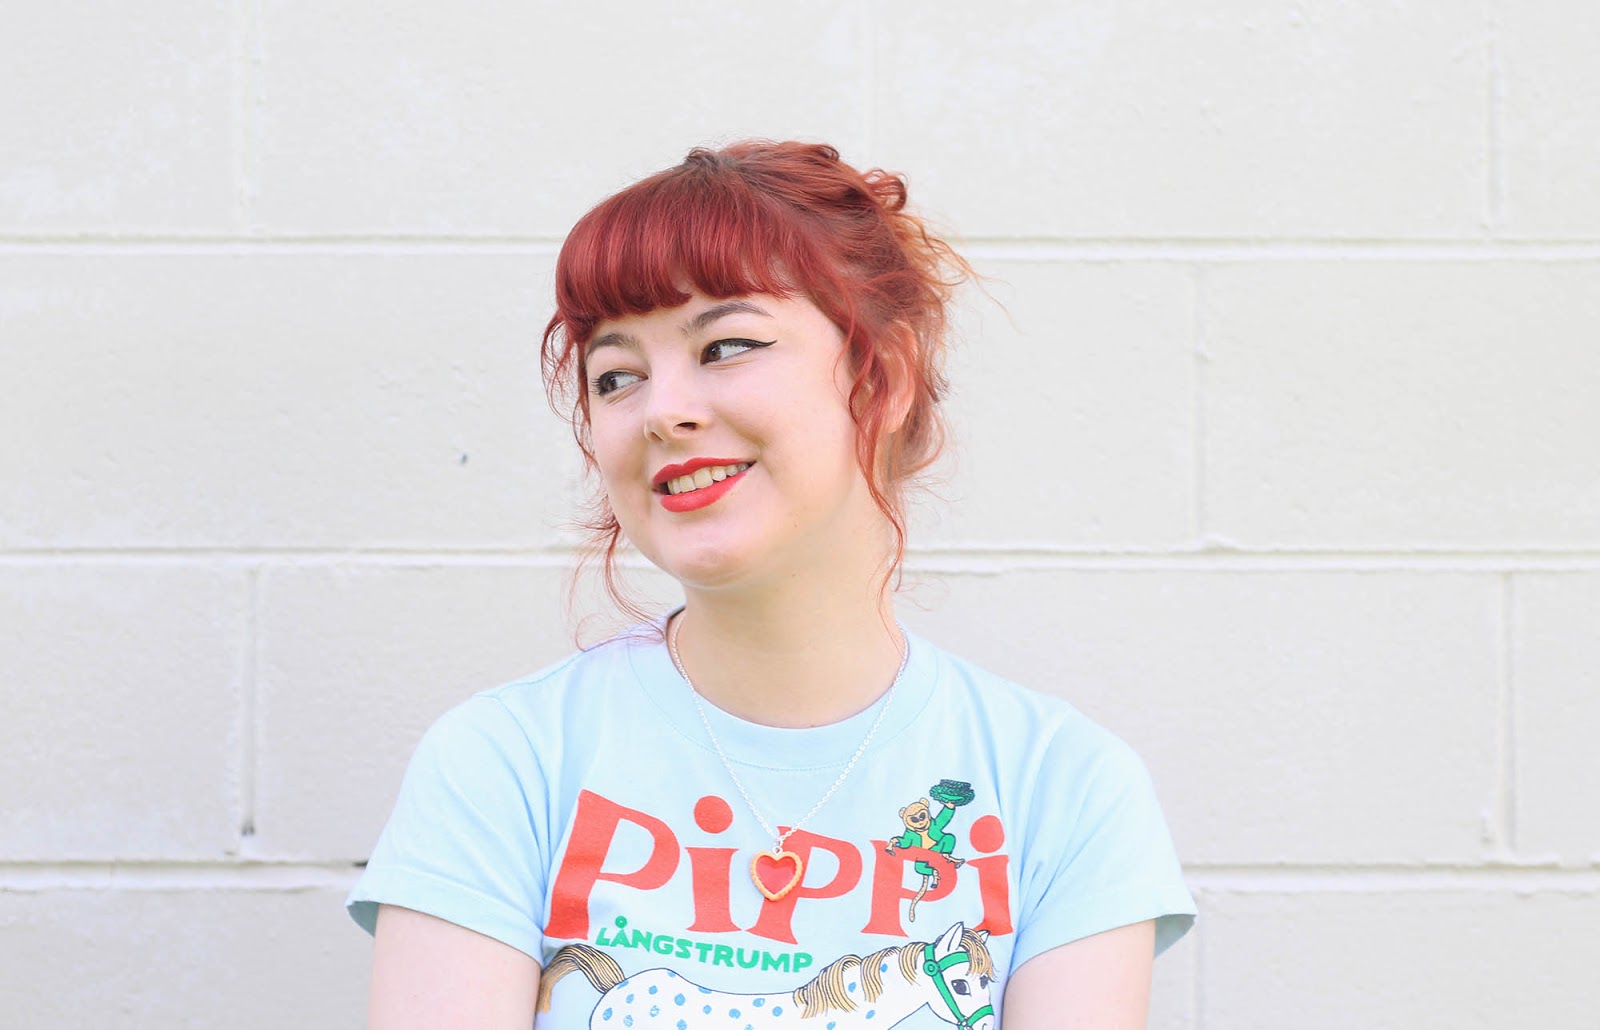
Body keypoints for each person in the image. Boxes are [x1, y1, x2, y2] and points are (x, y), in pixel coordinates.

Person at [349, 141, 1195, 1029]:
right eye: (617, 376)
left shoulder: (1062, 787)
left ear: (885, 378)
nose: (662, 412)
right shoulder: (505, 764)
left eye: (726, 346)